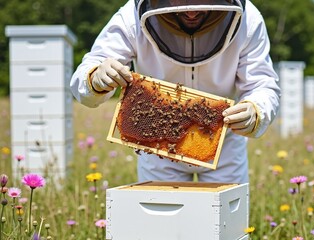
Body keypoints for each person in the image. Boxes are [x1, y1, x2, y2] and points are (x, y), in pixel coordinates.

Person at [70, 0, 281, 184]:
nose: (190, 11)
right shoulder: (131, 17)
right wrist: (95, 78)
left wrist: (256, 110)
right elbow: (84, 79)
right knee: (163, 225)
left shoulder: (248, 19)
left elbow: (262, 83)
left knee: (226, 225)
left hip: (224, 145)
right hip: (157, 146)